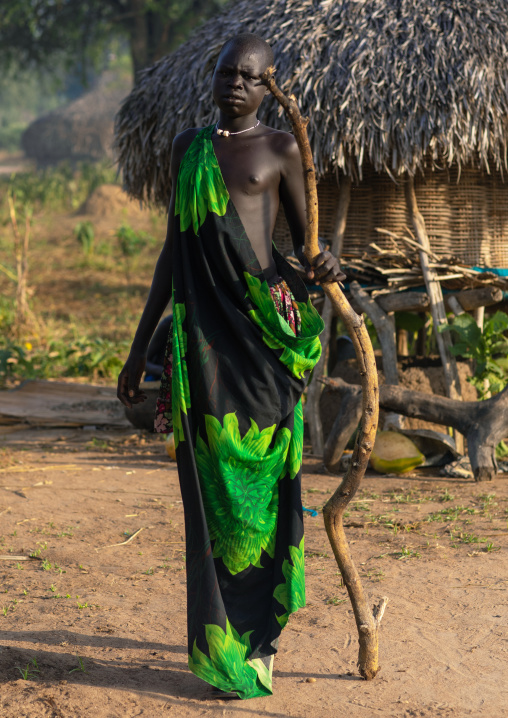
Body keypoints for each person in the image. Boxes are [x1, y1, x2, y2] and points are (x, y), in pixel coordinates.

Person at [117, 33, 345, 700]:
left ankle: (261, 640)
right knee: (211, 500)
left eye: (249, 77)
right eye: (226, 74)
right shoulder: (190, 148)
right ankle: (223, 642)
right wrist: (139, 347)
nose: (234, 86)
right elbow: (172, 254)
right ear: (214, 77)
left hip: (262, 346)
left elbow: (307, 251)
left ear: (268, 83)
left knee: (265, 497)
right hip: (202, 352)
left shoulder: (281, 149)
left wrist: (325, 263)